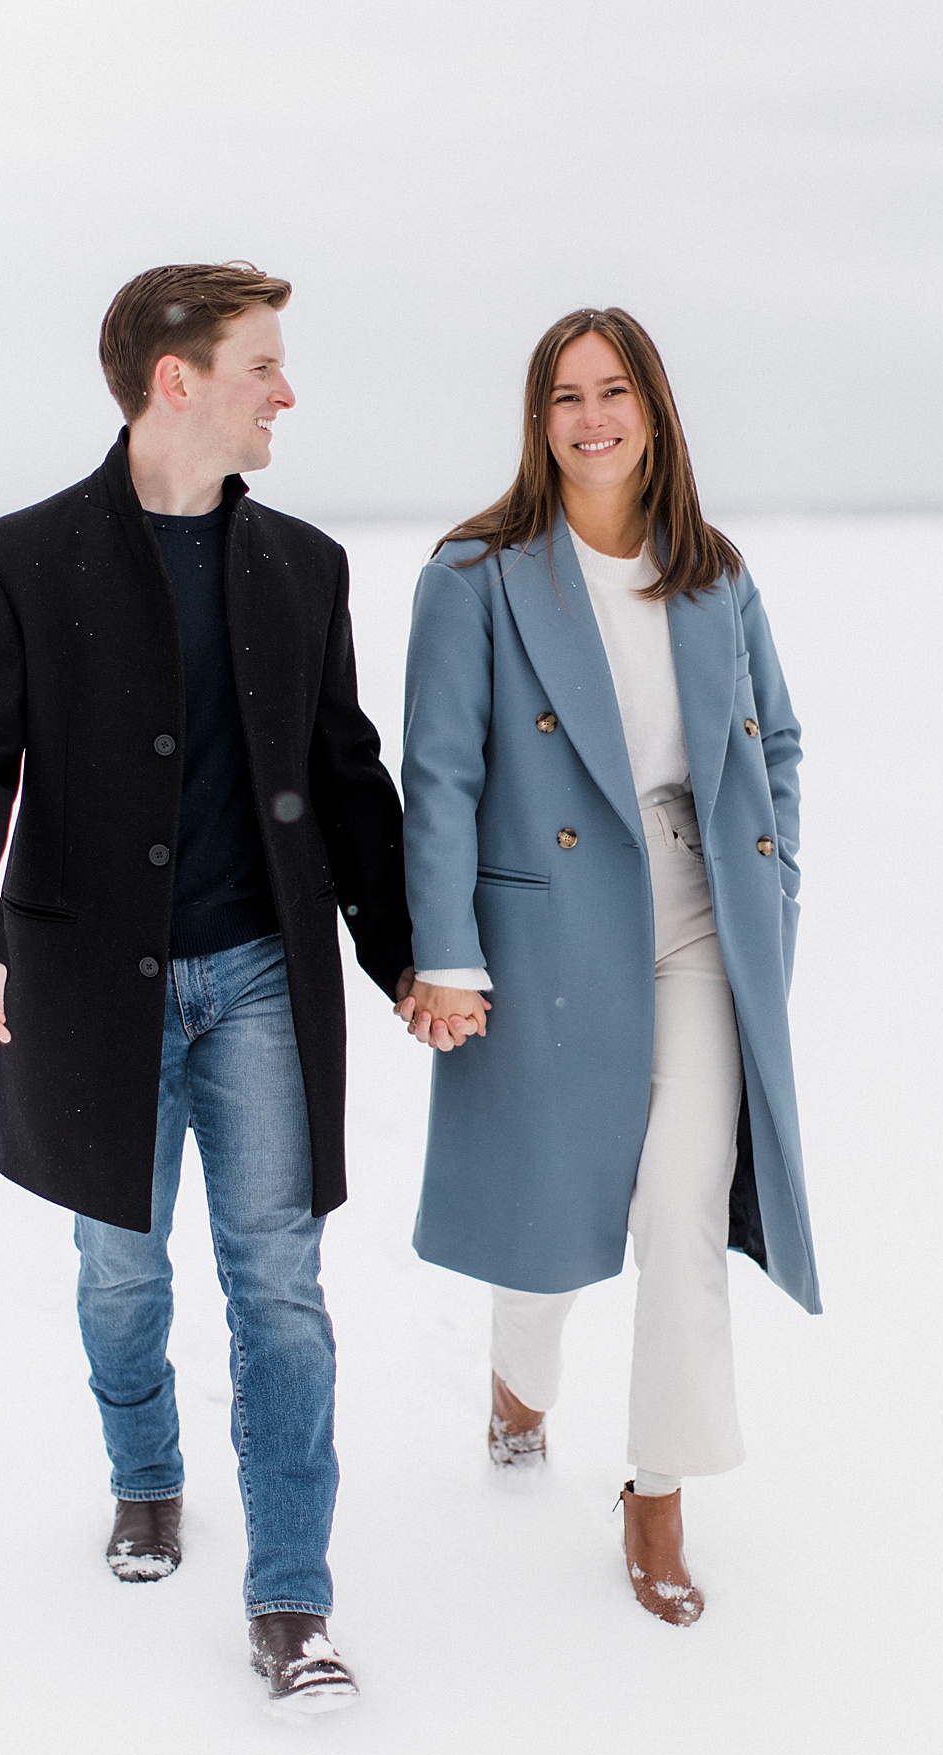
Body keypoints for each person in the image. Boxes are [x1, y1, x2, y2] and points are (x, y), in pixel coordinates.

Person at [0, 261, 414, 1711]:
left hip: (262, 975)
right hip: (89, 988)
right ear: (177, 379)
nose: (288, 392)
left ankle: (292, 1598)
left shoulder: (303, 567)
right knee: (121, 1269)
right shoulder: (18, 559)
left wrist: (403, 959)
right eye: (265, 364)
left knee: (281, 1285)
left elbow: (345, 780)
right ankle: (145, 1475)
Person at [395, 307, 818, 1624]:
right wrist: (449, 954)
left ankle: (659, 1491)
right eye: (566, 396)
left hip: (697, 923)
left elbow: (779, 749)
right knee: (553, 1213)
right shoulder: (475, 574)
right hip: (547, 929)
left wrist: (773, 895)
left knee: (682, 1201)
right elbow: (442, 776)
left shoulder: (715, 575)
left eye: (614, 391)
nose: (591, 418)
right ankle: (520, 1385)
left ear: (653, 411)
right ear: (541, 419)